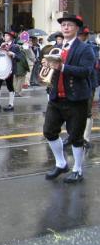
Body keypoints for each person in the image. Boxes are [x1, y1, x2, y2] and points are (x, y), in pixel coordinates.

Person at [42, 15, 95, 184]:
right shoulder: (57, 47)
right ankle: (61, 163)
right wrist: (46, 65)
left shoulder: (84, 49)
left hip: (76, 98)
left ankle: (77, 169)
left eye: (69, 25)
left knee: (76, 136)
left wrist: (62, 67)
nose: (65, 28)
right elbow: (53, 71)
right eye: (63, 25)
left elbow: (86, 71)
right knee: (49, 131)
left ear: (76, 28)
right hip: (56, 97)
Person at [0, 31, 20, 112]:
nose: (5, 37)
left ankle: (11, 104)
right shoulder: (2, 44)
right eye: (5, 35)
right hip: (1, 69)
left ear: (11, 37)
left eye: (7, 35)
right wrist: (0, 48)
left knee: (10, 86)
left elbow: (20, 58)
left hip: (9, 70)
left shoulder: (15, 47)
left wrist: (13, 54)